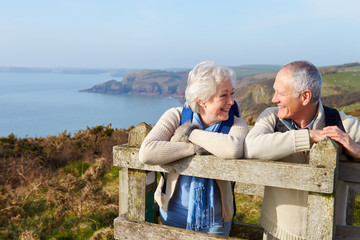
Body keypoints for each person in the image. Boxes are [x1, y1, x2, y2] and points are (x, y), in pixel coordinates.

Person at [244, 60, 360, 240]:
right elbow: (251, 147)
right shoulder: (271, 117)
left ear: (305, 96)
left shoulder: (343, 125)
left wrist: (356, 150)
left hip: (330, 235)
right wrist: (308, 137)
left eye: (280, 93)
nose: (274, 99)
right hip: (277, 234)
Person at [139, 61, 249, 236]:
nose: (231, 101)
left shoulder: (236, 123)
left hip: (216, 219)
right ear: (202, 100)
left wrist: (189, 133)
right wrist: (194, 148)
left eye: (232, 93)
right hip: (172, 213)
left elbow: (232, 148)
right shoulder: (175, 115)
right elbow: (146, 152)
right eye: (224, 95)